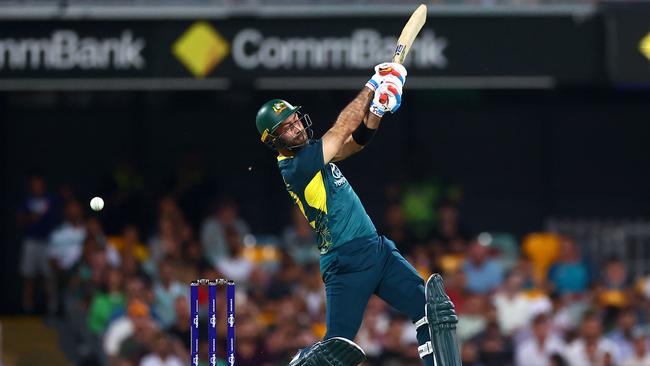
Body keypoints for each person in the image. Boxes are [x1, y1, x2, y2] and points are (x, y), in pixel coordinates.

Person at [255, 62, 456, 366]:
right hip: (345, 261)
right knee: (337, 351)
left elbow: (354, 143)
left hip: (376, 250)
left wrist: (377, 110)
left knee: (432, 311)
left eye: (295, 120)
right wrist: (373, 84)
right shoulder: (296, 167)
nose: (297, 127)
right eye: (287, 127)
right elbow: (340, 131)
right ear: (274, 140)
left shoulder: (311, 153)